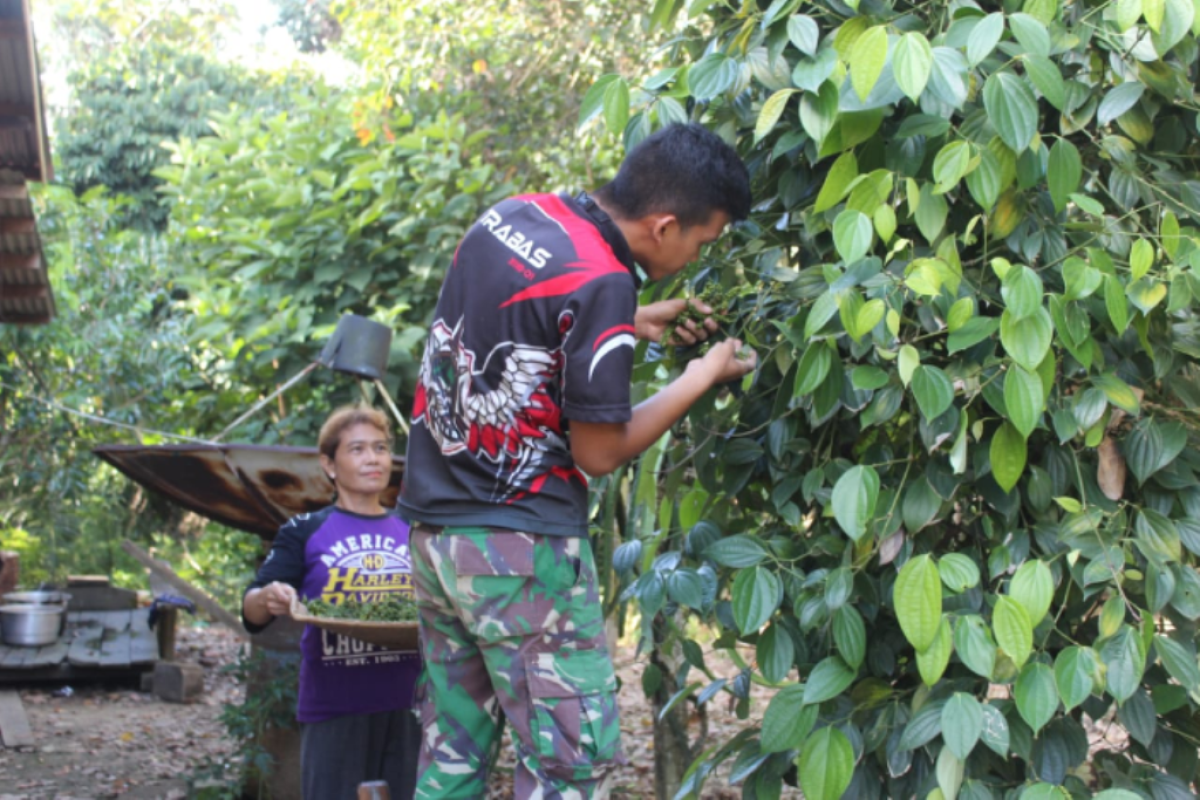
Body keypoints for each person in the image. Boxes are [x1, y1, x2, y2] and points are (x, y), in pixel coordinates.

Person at [399, 123, 755, 799]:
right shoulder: (603, 284)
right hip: (519, 552)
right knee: (566, 766)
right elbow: (599, 452)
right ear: (665, 223)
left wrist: (630, 322)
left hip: (435, 537)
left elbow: (520, 317)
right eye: (700, 242)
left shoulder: (514, 215)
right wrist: (700, 377)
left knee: (453, 752)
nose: (694, 255)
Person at [242, 405, 420, 800]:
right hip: (335, 706)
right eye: (357, 449)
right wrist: (269, 597)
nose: (373, 458)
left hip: (409, 705)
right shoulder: (304, 530)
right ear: (330, 464)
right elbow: (251, 611)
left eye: (380, 448)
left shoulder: (413, 530)